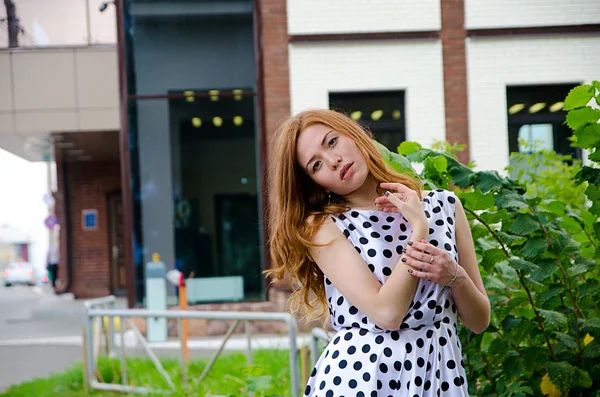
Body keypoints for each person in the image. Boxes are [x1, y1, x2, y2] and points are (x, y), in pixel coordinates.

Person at [266, 109, 490, 396]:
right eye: (316, 164)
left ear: (353, 134)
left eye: (332, 142)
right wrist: (419, 229)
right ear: (314, 182)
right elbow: (387, 314)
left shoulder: (444, 205)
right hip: (367, 379)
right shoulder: (323, 227)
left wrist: (455, 277)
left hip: (440, 375)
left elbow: (479, 321)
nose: (333, 162)